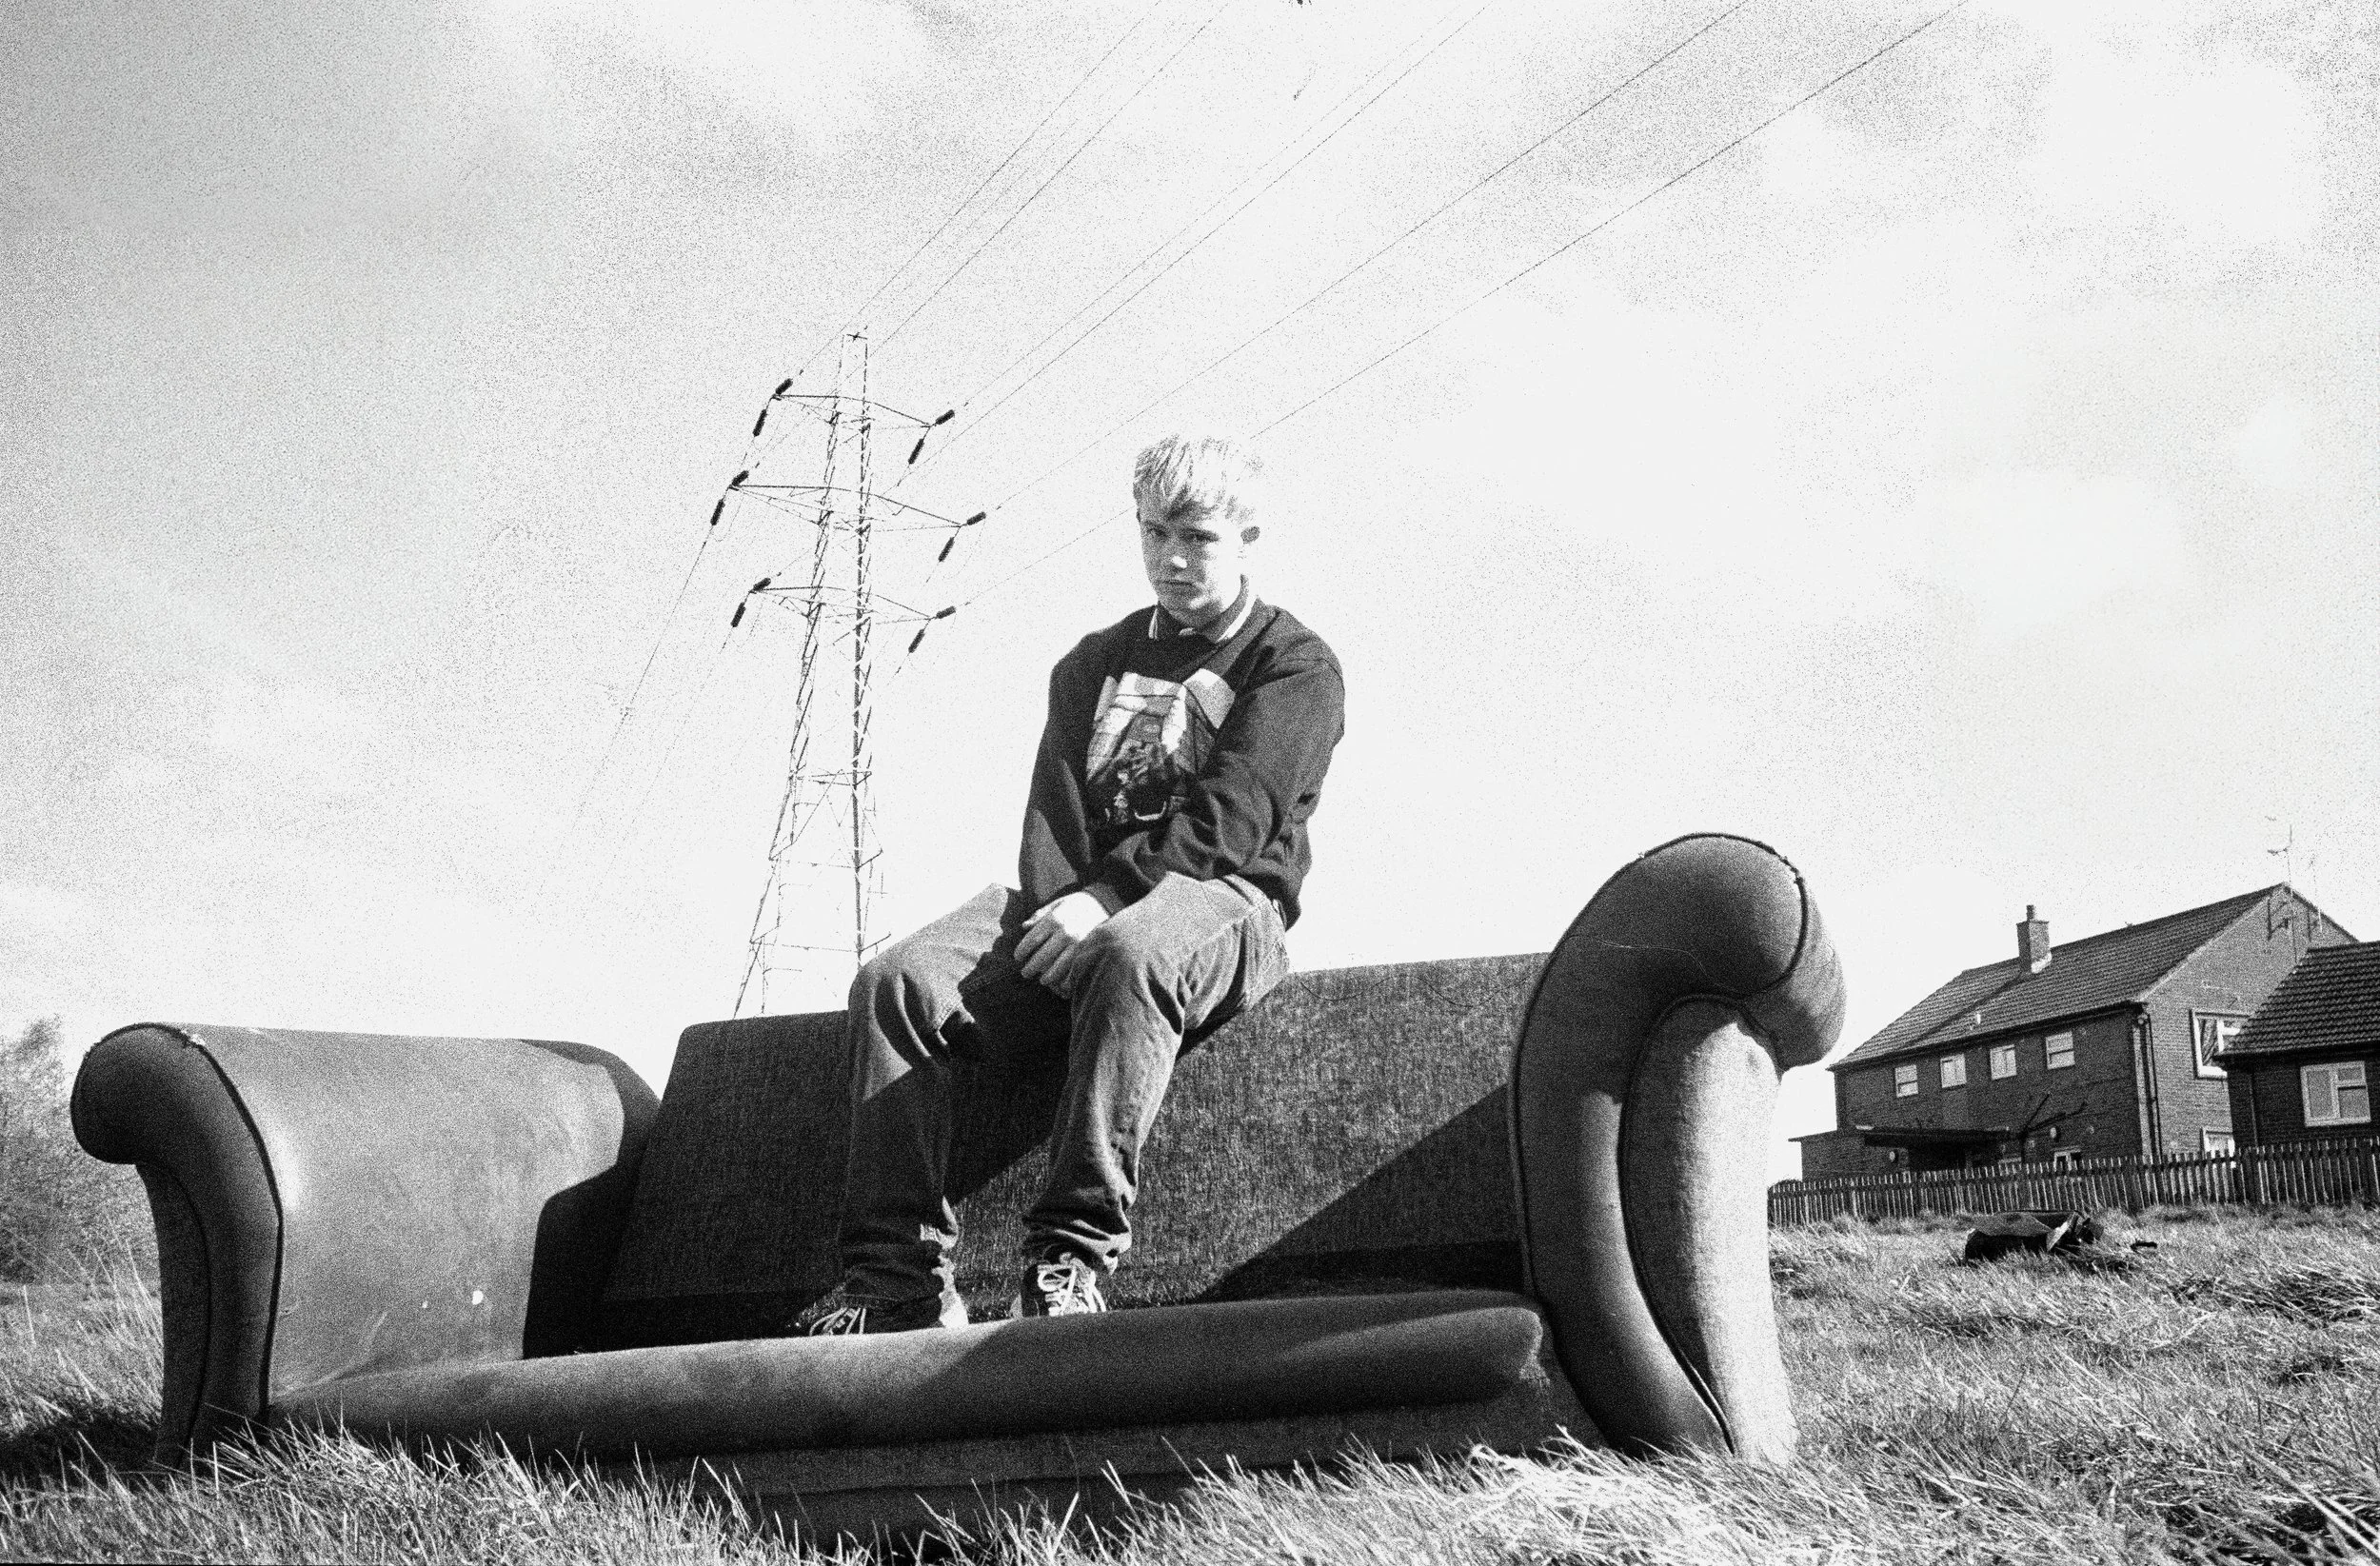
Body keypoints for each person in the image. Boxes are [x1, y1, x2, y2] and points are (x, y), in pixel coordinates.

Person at [791, 433, 1345, 1333]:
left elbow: (1234, 818)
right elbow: (1052, 818)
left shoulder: (1294, 662)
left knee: (1130, 952)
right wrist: (1060, 909)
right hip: (1078, 901)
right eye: (1154, 531)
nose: (1171, 558)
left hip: (1226, 902)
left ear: (1249, 536)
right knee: (898, 980)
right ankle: (894, 1279)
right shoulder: (1091, 663)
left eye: (1198, 536)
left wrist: (1107, 901)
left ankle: (1067, 1258)